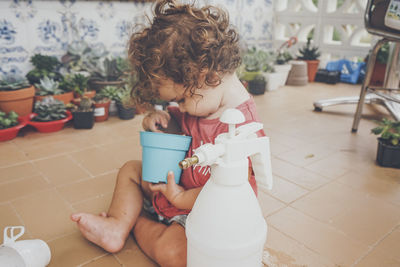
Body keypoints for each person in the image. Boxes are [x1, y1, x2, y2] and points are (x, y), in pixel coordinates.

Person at [70, 0, 265, 266]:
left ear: (207, 76)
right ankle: (116, 224)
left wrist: (180, 198)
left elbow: (233, 191)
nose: (179, 107)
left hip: (200, 212)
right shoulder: (203, 102)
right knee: (130, 169)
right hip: (172, 190)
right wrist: (159, 120)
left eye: (181, 99)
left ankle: (135, 222)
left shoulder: (242, 129)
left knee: (174, 254)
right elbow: (180, 128)